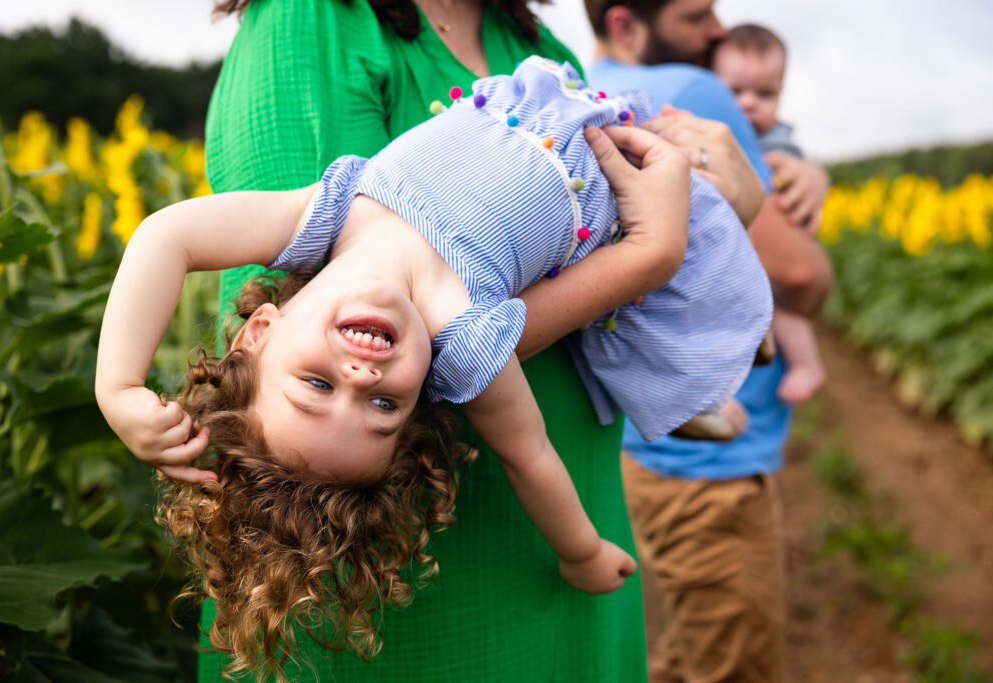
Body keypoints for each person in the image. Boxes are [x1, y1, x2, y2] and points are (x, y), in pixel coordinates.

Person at [96, 58, 774, 680]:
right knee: (680, 293)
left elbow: (167, 236)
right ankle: (707, 382)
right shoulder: (464, 333)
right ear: (418, 395)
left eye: (316, 386)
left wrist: (119, 386)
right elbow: (529, 454)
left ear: (259, 333)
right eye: (384, 409)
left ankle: (709, 380)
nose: (360, 381)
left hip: (543, 107)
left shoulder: (323, 213)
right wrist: (581, 550)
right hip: (607, 188)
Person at [585, 0, 834, 680]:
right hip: (714, 465)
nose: (718, 29)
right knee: (735, 665)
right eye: (697, 14)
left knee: (687, 651)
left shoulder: (589, 95)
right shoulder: (693, 92)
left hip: (643, 439)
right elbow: (799, 273)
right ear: (624, 22)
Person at [712, 23, 826, 405]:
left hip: (769, 263)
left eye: (765, 94)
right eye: (734, 91)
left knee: (785, 314)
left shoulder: (776, 144)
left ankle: (807, 365)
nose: (748, 103)